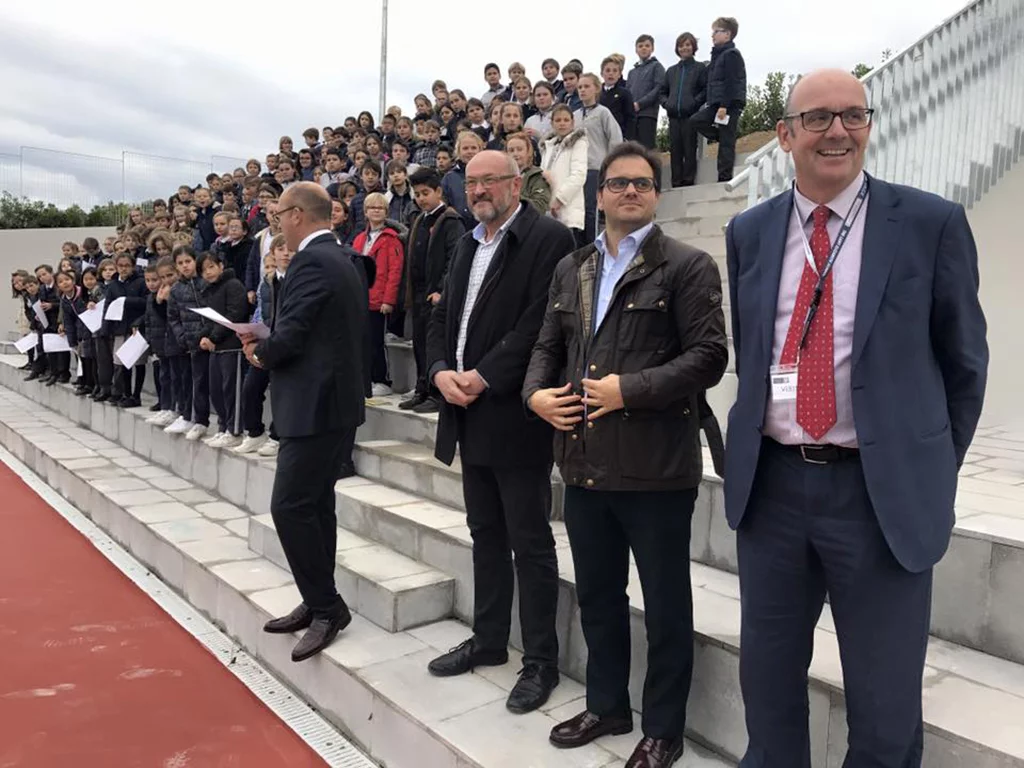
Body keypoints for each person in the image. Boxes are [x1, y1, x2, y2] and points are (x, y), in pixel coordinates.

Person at [724, 69, 988, 767]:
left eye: (853, 115)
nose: (837, 130)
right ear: (784, 136)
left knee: (885, 701)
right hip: (774, 491)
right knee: (768, 685)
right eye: (816, 118)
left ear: (869, 126)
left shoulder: (930, 224)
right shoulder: (749, 233)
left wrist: (920, 465)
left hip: (878, 496)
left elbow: (965, 365)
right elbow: (752, 353)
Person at [524, 140, 727, 768]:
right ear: (600, 193)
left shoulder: (688, 266)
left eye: (642, 183)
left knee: (665, 607)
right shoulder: (574, 268)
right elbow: (547, 343)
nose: (630, 192)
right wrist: (534, 394)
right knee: (598, 596)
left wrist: (627, 391)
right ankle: (607, 704)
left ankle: (663, 728)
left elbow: (709, 358)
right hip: (584, 464)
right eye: (618, 183)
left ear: (656, 194)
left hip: (657, 470)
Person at [424, 150, 576, 714]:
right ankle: (489, 641)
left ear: (517, 183)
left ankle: (540, 662)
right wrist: (440, 371)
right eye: (471, 182)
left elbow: (539, 324)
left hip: (514, 414)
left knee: (530, 543)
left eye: (490, 180)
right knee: (484, 533)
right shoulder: (468, 242)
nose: (479, 190)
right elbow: (441, 316)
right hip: (465, 410)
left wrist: (484, 375)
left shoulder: (548, 240)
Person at [242, 182, 367, 663]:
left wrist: (259, 350)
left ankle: (327, 606)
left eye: (278, 215)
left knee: (291, 507)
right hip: (327, 404)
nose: (276, 223)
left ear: (297, 215)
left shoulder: (314, 261)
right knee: (315, 506)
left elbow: (291, 335)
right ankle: (319, 599)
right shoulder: (338, 256)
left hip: (317, 407)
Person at [399, 167, 465, 414]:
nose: (421, 198)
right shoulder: (419, 219)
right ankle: (422, 388)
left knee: (434, 345)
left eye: (426, 193)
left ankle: (437, 394)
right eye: (416, 194)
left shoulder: (450, 220)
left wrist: (442, 292)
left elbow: (454, 260)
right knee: (419, 344)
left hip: (437, 297)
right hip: (418, 295)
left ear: (439, 191)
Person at [353, 192, 405, 397]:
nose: (376, 211)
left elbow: (395, 272)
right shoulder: (359, 239)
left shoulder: (392, 240)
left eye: (380, 208)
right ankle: (365, 378)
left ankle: (382, 379)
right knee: (362, 342)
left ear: (386, 212)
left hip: (379, 300)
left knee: (376, 342)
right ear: (365, 212)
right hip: (360, 299)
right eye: (372, 208)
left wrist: (388, 300)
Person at [197, 251, 247, 447]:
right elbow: (211, 318)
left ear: (220, 265)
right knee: (216, 390)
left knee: (230, 390)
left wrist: (213, 338)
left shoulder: (233, 285)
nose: (208, 273)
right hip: (215, 348)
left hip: (231, 347)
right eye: (203, 270)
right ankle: (223, 426)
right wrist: (204, 337)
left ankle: (234, 430)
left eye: (211, 267)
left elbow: (233, 315)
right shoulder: (210, 290)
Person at [690, 17, 747, 183]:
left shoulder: (731, 55)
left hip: (728, 105)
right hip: (715, 104)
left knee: (726, 145)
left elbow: (731, 82)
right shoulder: (717, 56)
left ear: (727, 34)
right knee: (696, 121)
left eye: (716, 32)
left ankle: (724, 178)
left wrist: (724, 105)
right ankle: (723, 137)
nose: (712, 35)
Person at [165, 246, 210, 440]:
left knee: (212, 383)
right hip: (190, 342)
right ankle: (196, 419)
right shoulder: (176, 289)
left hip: (210, 338)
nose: (185, 266)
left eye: (188, 261)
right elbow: (173, 317)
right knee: (194, 381)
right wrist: (182, 336)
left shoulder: (206, 282)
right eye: (181, 263)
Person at [575, 73, 624, 245]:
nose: (582, 90)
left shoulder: (603, 113)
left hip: (596, 168)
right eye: (580, 87)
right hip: (576, 170)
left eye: (586, 86)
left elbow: (615, 138)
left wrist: (609, 165)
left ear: (596, 88)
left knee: (591, 210)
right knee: (578, 211)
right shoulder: (574, 115)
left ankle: (593, 245)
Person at [661, 32, 707, 188]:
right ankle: (676, 181)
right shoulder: (671, 71)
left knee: (689, 149)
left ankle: (688, 180)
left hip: (690, 116)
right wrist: (666, 104)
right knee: (675, 150)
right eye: (681, 45)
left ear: (693, 46)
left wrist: (694, 103)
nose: (684, 48)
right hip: (673, 116)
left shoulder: (700, 68)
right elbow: (662, 92)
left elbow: (704, 90)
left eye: (687, 44)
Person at [540, 105, 589, 245]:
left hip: (568, 208)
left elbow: (579, 175)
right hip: (548, 209)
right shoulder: (548, 145)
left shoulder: (578, 143)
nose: (562, 123)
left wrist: (560, 199)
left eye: (566, 120)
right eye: (558, 120)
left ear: (572, 122)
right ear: (552, 123)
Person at [627, 34, 667, 150]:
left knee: (646, 149)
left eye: (647, 45)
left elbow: (658, 89)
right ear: (636, 50)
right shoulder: (632, 72)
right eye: (640, 46)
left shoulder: (657, 67)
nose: (643, 48)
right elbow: (628, 92)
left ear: (652, 48)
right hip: (632, 116)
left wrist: (640, 104)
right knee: (632, 150)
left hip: (648, 115)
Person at [442, 130, 484, 230]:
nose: (470, 151)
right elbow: (443, 203)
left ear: (480, 150)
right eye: (465, 148)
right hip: (459, 230)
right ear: (458, 152)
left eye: (473, 148)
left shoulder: (488, 174)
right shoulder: (449, 177)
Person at [506, 133, 550, 214]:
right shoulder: (502, 177)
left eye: (519, 149)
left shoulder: (537, 176)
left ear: (528, 152)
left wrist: (512, 197)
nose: (515, 154)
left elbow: (540, 206)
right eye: (511, 150)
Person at [600, 56, 636, 141]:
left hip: (618, 136)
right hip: (599, 137)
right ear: (602, 73)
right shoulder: (596, 93)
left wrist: (627, 138)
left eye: (615, 71)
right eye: (607, 70)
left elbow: (631, 118)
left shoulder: (625, 93)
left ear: (619, 74)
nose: (611, 73)